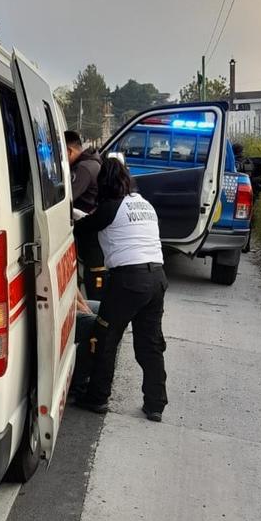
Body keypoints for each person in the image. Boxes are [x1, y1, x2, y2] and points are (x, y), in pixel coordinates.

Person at [69, 157, 168, 421]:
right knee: (150, 343)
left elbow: (82, 229)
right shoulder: (143, 204)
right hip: (157, 278)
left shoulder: (110, 207)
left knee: (106, 338)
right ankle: (155, 403)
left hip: (129, 282)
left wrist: (74, 216)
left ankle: (97, 398)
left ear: (105, 183)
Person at [64, 130, 107, 300]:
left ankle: (92, 311)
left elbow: (67, 199)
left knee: (91, 275)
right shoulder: (93, 162)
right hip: (94, 229)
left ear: (68, 151)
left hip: (87, 230)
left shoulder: (83, 168)